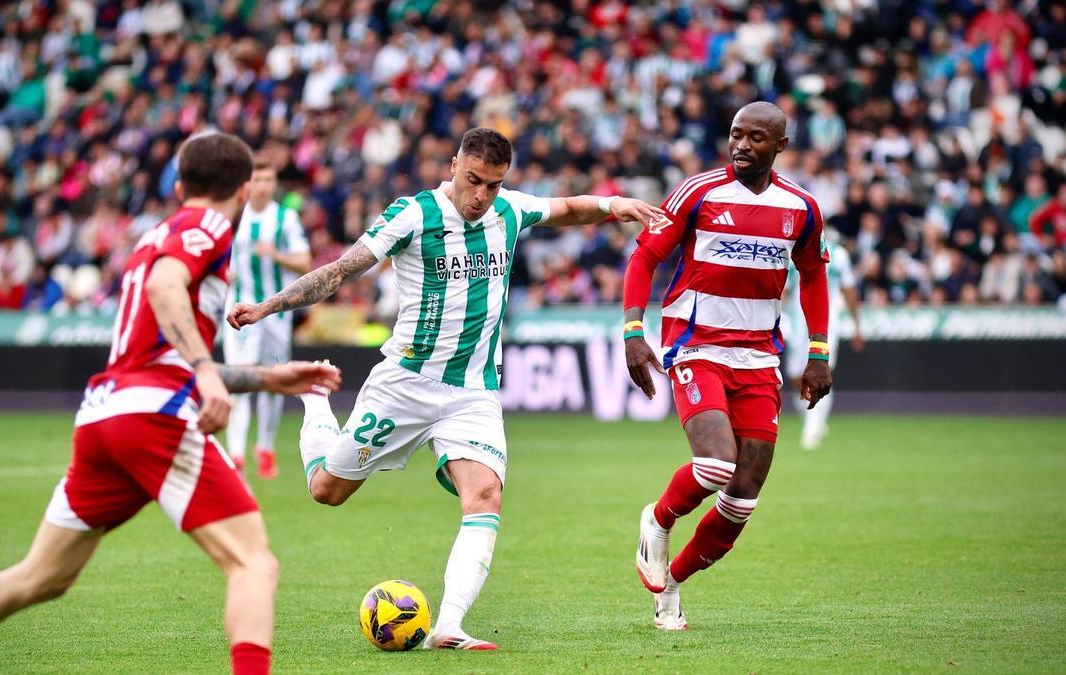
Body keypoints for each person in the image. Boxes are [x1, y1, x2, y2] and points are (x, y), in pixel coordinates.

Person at [0, 134, 342, 675]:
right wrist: (208, 371)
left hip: (105, 416)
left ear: (180, 185)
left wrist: (268, 379)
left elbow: (157, 353)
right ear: (240, 190)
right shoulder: (209, 226)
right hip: (151, 418)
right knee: (253, 562)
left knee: (40, 577)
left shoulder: (153, 235)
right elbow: (167, 293)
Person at [227, 127, 664, 650]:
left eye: (494, 186)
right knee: (327, 490)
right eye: (473, 180)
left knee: (485, 495)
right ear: (453, 165)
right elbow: (343, 270)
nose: (481, 196)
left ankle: (449, 625)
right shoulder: (413, 215)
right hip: (405, 386)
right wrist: (267, 308)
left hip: (473, 392)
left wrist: (617, 205)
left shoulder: (509, 210)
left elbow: (568, 209)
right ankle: (316, 401)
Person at [623, 102, 832, 630]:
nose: (741, 145)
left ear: (779, 146)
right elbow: (644, 257)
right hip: (696, 345)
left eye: (756, 138)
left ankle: (670, 586)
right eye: (736, 135)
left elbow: (813, 276)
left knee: (743, 498)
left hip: (759, 355)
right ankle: (658, 518)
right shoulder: (699, 192)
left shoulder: (801, 207)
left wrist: (819, 353)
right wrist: (632, 331)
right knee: (716, 464)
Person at [224, 159, 311, 478]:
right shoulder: (234, 215)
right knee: (240, 379)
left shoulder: (284, 218)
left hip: (275, 315)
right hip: (238, 313)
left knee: (274, 383)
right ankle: (236, 453)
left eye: (267, 179)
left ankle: (265, 447)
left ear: (274, 184)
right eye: (257, 179)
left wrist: (275, 255)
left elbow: (305, 261)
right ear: (247, 183)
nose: (262, 185)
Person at [781, 228, 863, 449]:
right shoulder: (793, 254)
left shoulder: (839, 255)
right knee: (796, 376)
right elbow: (783, 289)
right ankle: (813, 419)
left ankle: (813, 427)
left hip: (827, 326)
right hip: (798, 325)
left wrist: (857, 325)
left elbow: (849, 291)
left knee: (821, 371)